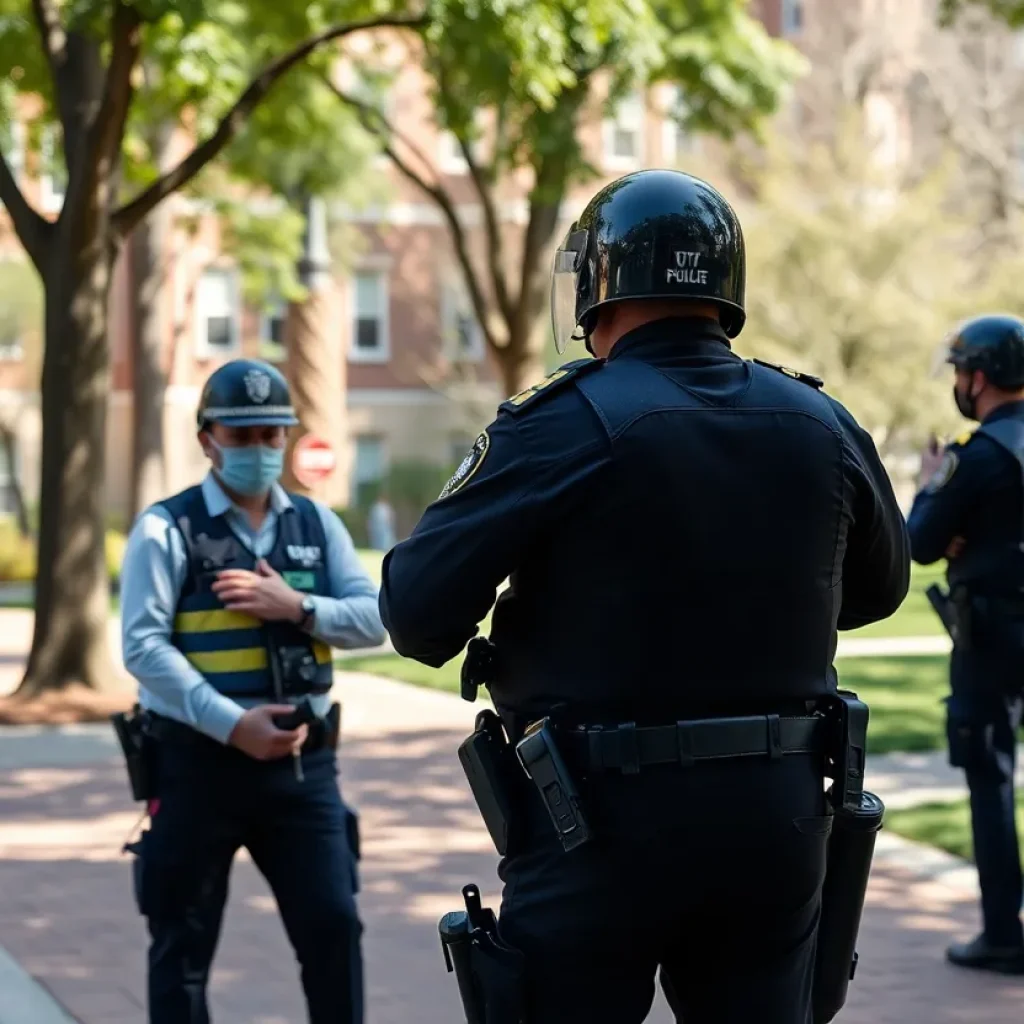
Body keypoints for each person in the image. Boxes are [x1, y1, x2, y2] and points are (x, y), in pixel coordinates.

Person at [378, 169, 910, 1023]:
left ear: (599, 286)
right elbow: (879, 590)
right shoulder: (822, 422)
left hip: (597, 821)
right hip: (773, 820)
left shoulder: (559, 421)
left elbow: (415, 615)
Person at [120, 358, 386, 1024]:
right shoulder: (165, 529)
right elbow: (143, 648)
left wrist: (295, 605)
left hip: (303, 772)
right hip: (196, 769)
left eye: (273, 434)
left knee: (334, 931)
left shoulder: (317, 527)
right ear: (207, 439)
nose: (261, 449)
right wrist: (232, 724)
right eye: (243, 436)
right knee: (181, 947)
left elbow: (376, 619)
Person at [907, 314, 1024, 976]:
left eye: (960, 371)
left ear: (978, 378)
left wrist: (931, 489)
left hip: (993, 639)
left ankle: (1003, 932)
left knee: (991, 777)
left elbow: (920, 543)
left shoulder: (976, 457)